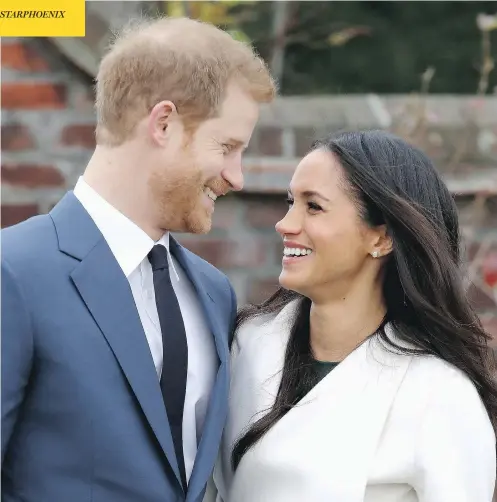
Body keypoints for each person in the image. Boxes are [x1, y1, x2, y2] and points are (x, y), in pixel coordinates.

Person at [1, 16, 275, 502]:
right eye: (227, 147)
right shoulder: (14, 272)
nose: (236, 176)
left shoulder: (214, 294)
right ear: (163, 123)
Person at [210, 130, 497, 502]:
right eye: (290, 202)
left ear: (381, 238)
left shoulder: (437, 394)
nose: (285, 223)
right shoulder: (245, 347)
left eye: (313, 206)